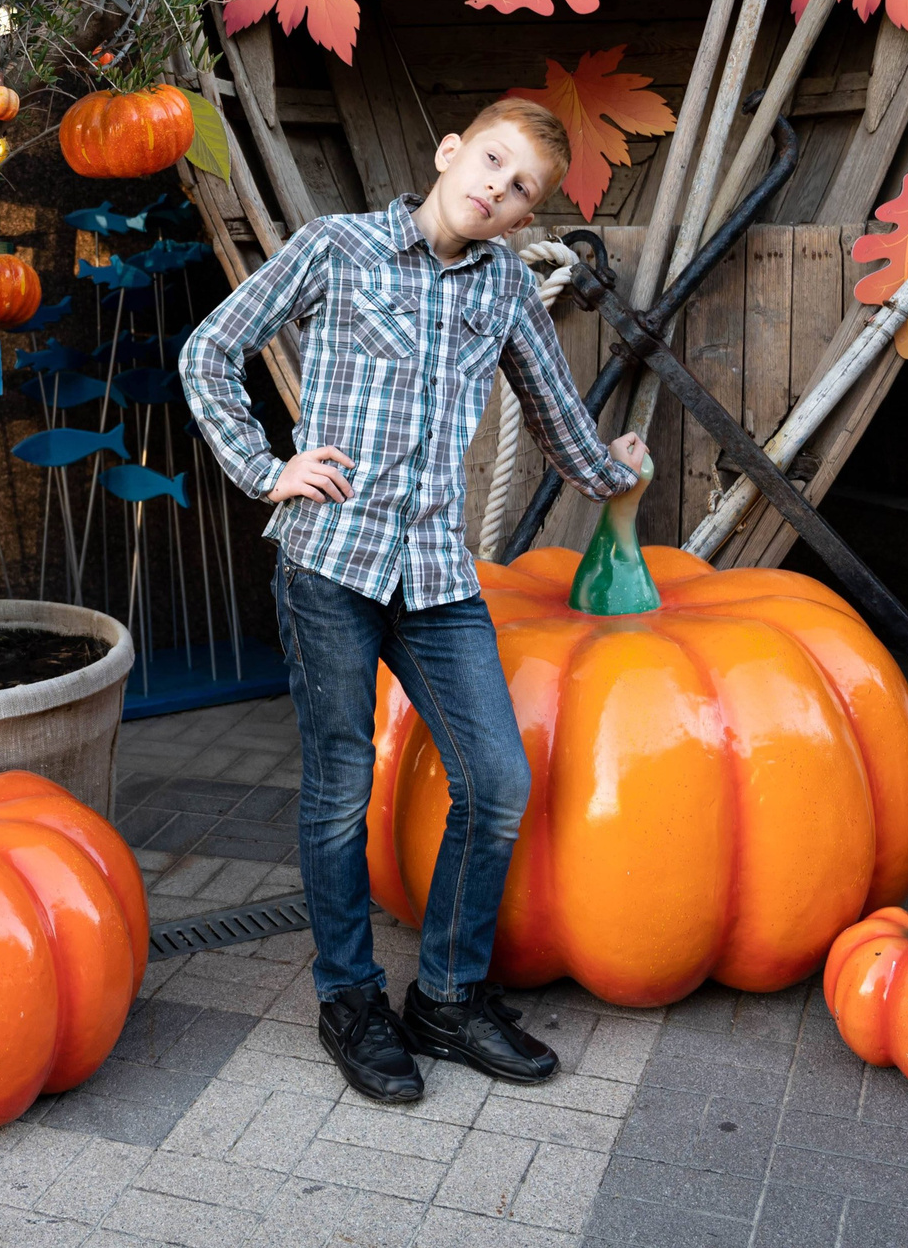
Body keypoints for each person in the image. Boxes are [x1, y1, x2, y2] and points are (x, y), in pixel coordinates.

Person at [179, 93, 647, 1104]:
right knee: (340, 788)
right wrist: (267, 468)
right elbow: (207, 349)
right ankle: (349, 996)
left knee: (496, 778)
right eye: (488, 160)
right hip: (330, 562)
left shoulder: (506, 293)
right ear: (448, 151)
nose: (494, 187)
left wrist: (618, 475)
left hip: (434, 574)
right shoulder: (337, 247)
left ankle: (444, 994)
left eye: (518, 186)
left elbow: (562, 425)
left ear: (525, 217)